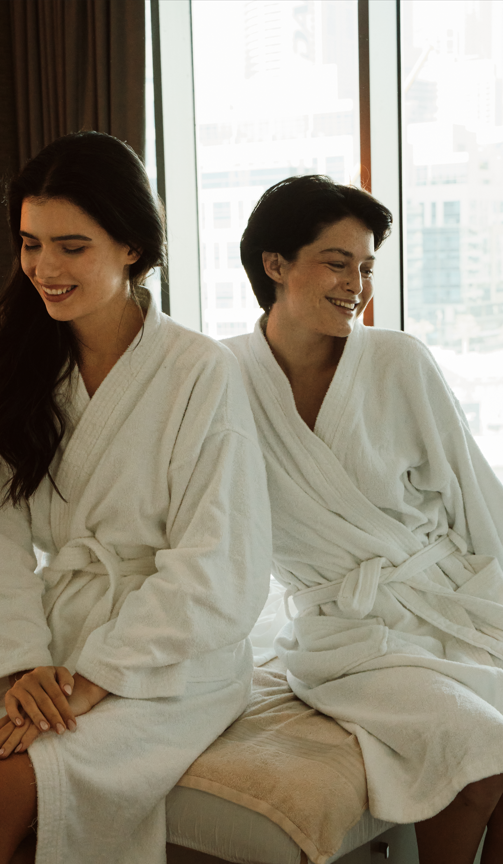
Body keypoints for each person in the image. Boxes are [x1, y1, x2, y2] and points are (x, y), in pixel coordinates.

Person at [0, 131, 272, 864]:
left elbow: (219, 558)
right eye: (30, 244)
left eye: (71, 247)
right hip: (44, 646)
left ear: (132, 248)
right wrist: (24, 669)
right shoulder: (13, 374)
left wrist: (96, 678)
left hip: (170, 656)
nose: (44, 269)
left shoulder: (199, 373)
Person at [225, 175, 503, 864]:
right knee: (482, 754)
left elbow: (476, 500)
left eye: (367, 267)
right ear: (276, 264)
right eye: (338, 261)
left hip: (451, 598)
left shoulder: (398, 360)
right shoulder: (219, 378)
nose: (357, 283)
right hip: (345, 635)